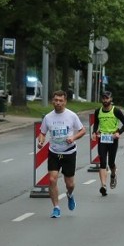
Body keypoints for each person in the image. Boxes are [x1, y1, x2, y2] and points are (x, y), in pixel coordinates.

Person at [37, 90, 87, 219]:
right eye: (56, 100)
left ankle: (70, 195)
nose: (58, 103)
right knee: (52, 179)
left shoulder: (71, 116)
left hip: (69, 152)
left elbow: (83, 130)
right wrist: (41, 140)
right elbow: (42, 132)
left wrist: (73, 137)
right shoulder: (48, 117)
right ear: (52, 101)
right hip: (54, 152)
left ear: (65, 102)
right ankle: (56, 208)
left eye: (61, 100)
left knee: (69, 183)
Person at [92, 91, 124, 196]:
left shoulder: (116, 111)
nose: (105, 100)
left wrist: (118, 132)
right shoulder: (98, 111)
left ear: (111, 99)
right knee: (102, 162)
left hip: (113, 139)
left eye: (107, 98)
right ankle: (103, 185)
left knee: (111, 162)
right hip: (102, 138)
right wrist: (95, 132)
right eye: (103, 98)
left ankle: (113, 174)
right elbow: (96, 123)